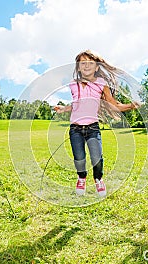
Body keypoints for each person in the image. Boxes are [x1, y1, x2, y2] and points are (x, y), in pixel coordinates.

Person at [54, 50, 138, 197]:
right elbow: (77, 104)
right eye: (83, 63)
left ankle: (98, 179)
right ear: (78, 67)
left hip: (92, 127)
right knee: (78, 157)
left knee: (96, 157)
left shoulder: (101, 83)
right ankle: (81, 178)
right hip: (75, 128)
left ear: (97, 67)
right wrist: (64, 108)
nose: (86, 66)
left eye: (90, 63)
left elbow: (112, 104)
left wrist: (130, 106)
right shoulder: (73, 84)